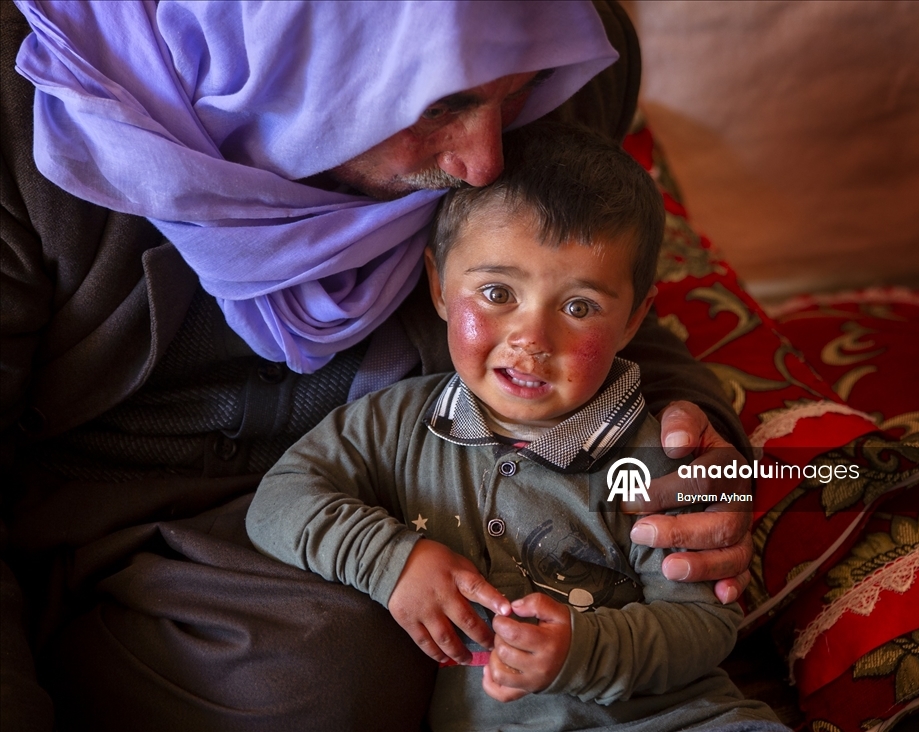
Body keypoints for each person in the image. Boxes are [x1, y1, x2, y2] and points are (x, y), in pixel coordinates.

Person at [1, 2, 753, 730]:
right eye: (438, 103)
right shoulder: (22, 112)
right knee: (316, 679)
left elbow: (586, 291)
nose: (483, 161)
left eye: (514, 93)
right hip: (97, 526)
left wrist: (695, 440)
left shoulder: (558, 49)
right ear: (294, 52)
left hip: (401, 500)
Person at [247, 122, 786, 732]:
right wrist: (391, 561)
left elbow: (703, 623)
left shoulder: (653, 455)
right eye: (498, 291)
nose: (532, 340)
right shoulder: (396, 423)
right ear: (441, 286)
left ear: (635, 320)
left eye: (580, 307)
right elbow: (280, 498)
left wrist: (583, 649)